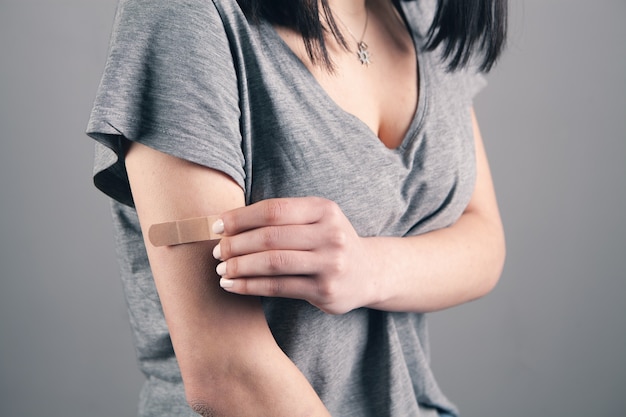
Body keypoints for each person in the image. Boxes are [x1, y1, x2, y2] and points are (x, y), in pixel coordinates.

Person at [86, 0, 507, 415]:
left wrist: (368, 269)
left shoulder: (421, 13)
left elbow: (483, 239)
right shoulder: (183, 13)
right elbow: (228, 374)